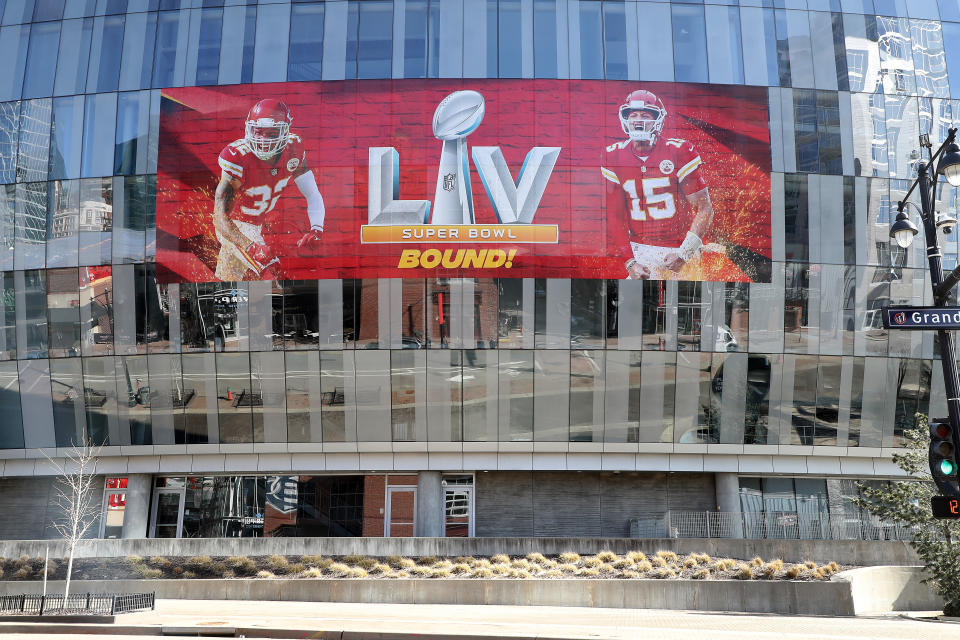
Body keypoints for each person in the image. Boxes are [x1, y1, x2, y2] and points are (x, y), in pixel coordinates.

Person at [601, 89, 717, 280]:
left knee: (687, 304)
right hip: (641, 251)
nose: (638, 120)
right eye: (633, 115)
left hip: (679, 247)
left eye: (645, 115)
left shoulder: (678, 151)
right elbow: (615, 216)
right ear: (626, 119)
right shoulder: (613, 156)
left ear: (657, 120)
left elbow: (705, 209)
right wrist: (630, 261)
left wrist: (684, 253)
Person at [212, 98, 326, 281]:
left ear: (284, 132)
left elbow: (312, 194)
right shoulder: (237, 156)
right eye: (258, 132)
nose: (263, 140)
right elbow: (220, 219)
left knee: (227, 281)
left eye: (272, 134)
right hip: (234, 226)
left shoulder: (293, 148)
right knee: (273, 271)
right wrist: (251, 247)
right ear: (250, 129)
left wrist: (316, 229)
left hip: (255, 226)